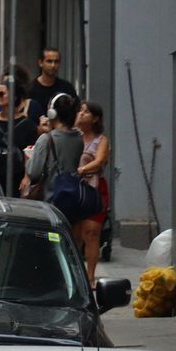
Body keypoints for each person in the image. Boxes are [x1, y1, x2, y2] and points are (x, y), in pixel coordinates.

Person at [75, 101, 110, 284]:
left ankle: (90, 277)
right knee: (76, 233)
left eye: (86, 112)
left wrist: (82, 170)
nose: (82, 114)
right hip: (74, 188)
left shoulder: (101, 140)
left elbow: (100, 160)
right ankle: (76, 275)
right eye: (80, 110)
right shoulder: (73, 136)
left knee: (91, 232)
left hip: (95, 188)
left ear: (95, 118)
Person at [28, 48, 77, 113]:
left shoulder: (67, 88)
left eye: (56, 62)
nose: (53, 65)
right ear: (40, 63)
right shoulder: (30, 89)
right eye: (49, 61)